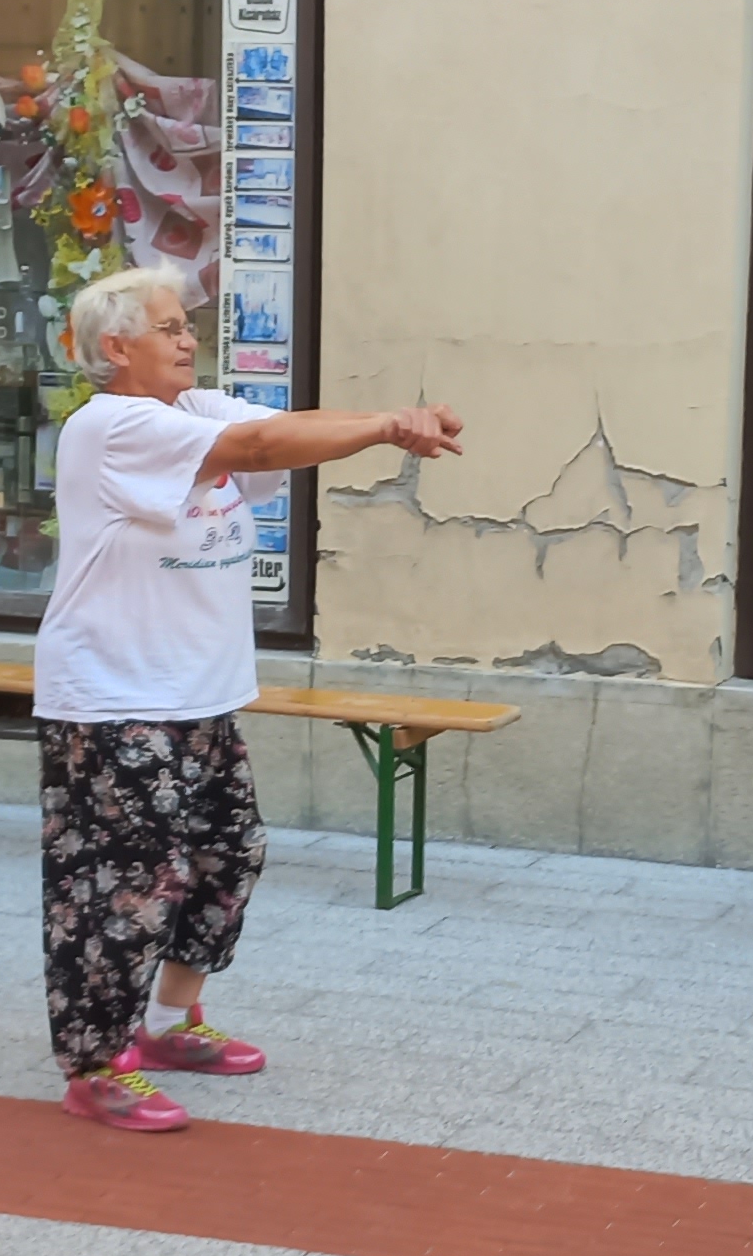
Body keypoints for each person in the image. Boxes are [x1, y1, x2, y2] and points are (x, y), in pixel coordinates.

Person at [36, 261, 462, 1130]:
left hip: (198, 693)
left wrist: (393, 422)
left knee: (229, 856)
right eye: (168, 327)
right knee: (126, 884)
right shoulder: (111, 426)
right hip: (117, 699)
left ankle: (166, 1022)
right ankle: (96, 1062)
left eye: (186, 325)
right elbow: (263, 451)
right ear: (115, 347)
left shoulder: (193, 410)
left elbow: (283, 428)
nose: (186, 338)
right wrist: (389, 426)